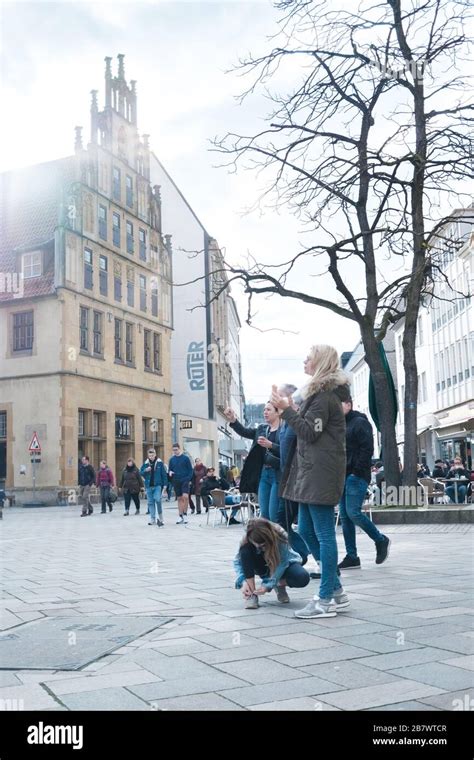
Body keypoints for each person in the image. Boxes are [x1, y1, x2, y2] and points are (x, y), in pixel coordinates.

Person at [272, 344, 350, 619]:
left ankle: (326, 597)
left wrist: (287, 410)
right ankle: (337, 590)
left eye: (309, 357)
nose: (304, 360)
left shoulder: (324, 397)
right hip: (311, 471)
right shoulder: (316, 396)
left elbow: (309, 432)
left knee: (325, 534)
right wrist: (290, 408)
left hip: (321, 472)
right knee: (304, 529)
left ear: (320, 363)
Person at [338, 397, 390, 570]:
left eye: (339, 404)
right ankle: (352, 556)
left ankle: (380, 540)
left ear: (348, 404)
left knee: (353, 513)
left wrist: (355, 471)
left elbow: (367, 449)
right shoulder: (339, 424)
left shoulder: (359, 422)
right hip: (342, 476)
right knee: (345, 517)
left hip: (356, 475)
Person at [234, 518, 310, 609]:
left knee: (302, 577)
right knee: (245, 551)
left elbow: (283, 563)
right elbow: (238, 562)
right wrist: (243, 581)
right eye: (259, 545)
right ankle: (251, 594)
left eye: (264, 545)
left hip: (280, 565)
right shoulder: (247, 538)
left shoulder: (280, 534)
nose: (262, 547)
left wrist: (269, 584)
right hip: (261, 566)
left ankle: (278, 584)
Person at [224, 402, 281, 522]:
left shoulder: (284, 430)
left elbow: (288, 451)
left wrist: (271, 445)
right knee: (264, 514)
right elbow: (244, 432)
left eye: (269, 410)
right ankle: (269, 539)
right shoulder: (262, 429)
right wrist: (233, 420)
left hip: (278, 474)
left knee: (274, 515)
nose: (265, 412)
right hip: (263, 474)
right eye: (264, 409)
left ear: (278, 412)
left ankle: (281, 539)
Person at [274, 383, 309, 565]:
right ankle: (301, 554)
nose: (275, 400)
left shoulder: (297, 419)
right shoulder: (285, 422)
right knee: (284, 522)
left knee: (285, 522)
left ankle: (301, 555)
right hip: (286, 480)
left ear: (289, 398)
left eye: (279, 396)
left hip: (297, 481)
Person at [140, 449, 167, 526]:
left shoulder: (159, 463)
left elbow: (164, 474)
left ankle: (161, 517)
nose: (151, 457)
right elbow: (140, 472)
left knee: (158, 499)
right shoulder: (145, 464)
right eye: (149, 456)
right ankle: (152, 519)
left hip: (157, 485)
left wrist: (165, 485)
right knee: (150, 503)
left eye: (152, 455)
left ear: (155, 455)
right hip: (148, 486)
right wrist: (145, 470)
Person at [168, 444, 193, 524]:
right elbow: (170, 470)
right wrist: (170, 473)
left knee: (185, 497)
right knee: (179, 498)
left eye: (176, 449)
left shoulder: (186, 458)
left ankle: (185, 514)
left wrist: (188, 478)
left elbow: (190, 470)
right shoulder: (171, 459)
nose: (175, 451)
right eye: (173, 450)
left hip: (185, 480)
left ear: (179, 449)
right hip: (176, 480)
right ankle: (180, 516)